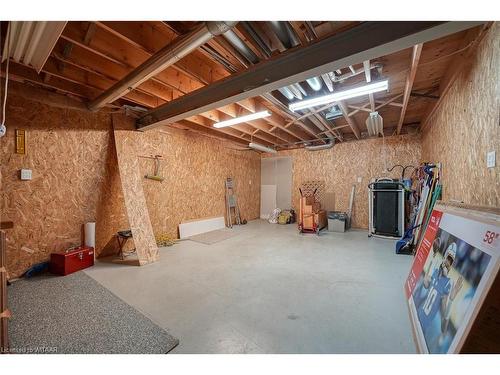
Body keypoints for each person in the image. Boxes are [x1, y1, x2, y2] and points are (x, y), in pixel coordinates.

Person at [417, 242, 464, 351]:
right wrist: (430, 266)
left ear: (451, 265)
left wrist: (451, 301)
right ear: (443, 258)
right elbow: (425, 284)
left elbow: (443, 328)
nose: (447, 263)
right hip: (419, 315)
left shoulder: (448, 283)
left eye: (450, 261)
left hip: (426, 330)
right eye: (447, 259)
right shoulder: (436, 272)